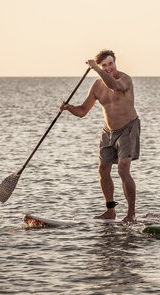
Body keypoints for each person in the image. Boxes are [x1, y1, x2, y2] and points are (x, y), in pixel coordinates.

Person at [60, 49, 140, 223]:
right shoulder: (96, 86)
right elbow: (82, 111)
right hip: (108, 132)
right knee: (103, 170)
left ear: (115, 62)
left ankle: (131, 213)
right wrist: (68, 107)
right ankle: (110, 211)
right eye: (104, 65)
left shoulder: (124, 79)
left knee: (122, 169)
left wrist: (96, 68)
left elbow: (115, 86)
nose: (108, 67)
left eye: (110, 64)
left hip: (128, 128)